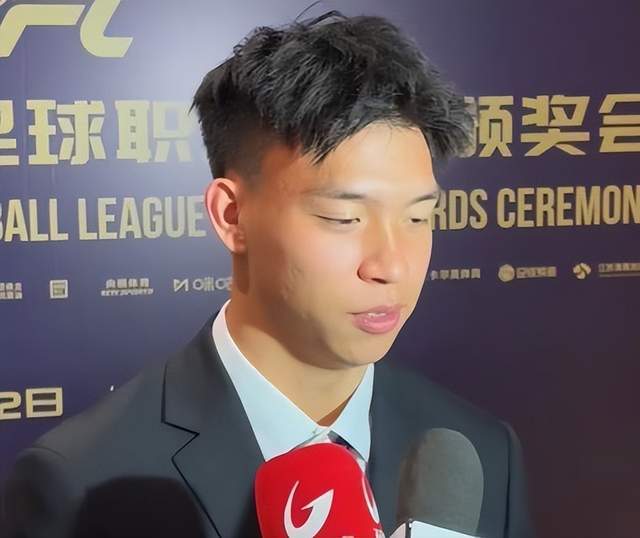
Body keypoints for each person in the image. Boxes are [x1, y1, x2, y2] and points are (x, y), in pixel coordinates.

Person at [2, 10, 535, 538]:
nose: (392, 266)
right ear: (232, 216)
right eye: (343, 218)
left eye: (418, 218)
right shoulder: (82, 483)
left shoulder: (484, 453)